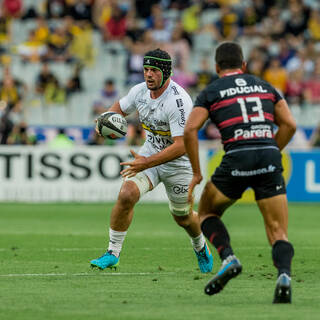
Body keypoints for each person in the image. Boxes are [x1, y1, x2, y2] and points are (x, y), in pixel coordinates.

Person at [183, 42, 296, 303]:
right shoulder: (265, 86)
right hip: (268, 156)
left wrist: (197, 173)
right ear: (243, 66)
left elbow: (190, 129)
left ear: (216, 67)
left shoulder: (212, 91)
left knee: (208, 213)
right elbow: (289, 124)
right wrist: (270, 149)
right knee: (278, 230)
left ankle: (228, 257)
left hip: (236, 157)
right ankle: (284, 275)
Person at [90, 48, 213, 273]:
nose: (148, 74)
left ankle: (200, 246)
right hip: (150, 153)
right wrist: (105, 120)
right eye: (146, 69)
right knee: (126, 194)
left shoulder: (179, 102)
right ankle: (112, 253)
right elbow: (120, 106)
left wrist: (146, 163)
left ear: (166, 73)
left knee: (183, 217)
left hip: (179, 163)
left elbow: (182, 145)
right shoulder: (139, 91)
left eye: (154, 70)